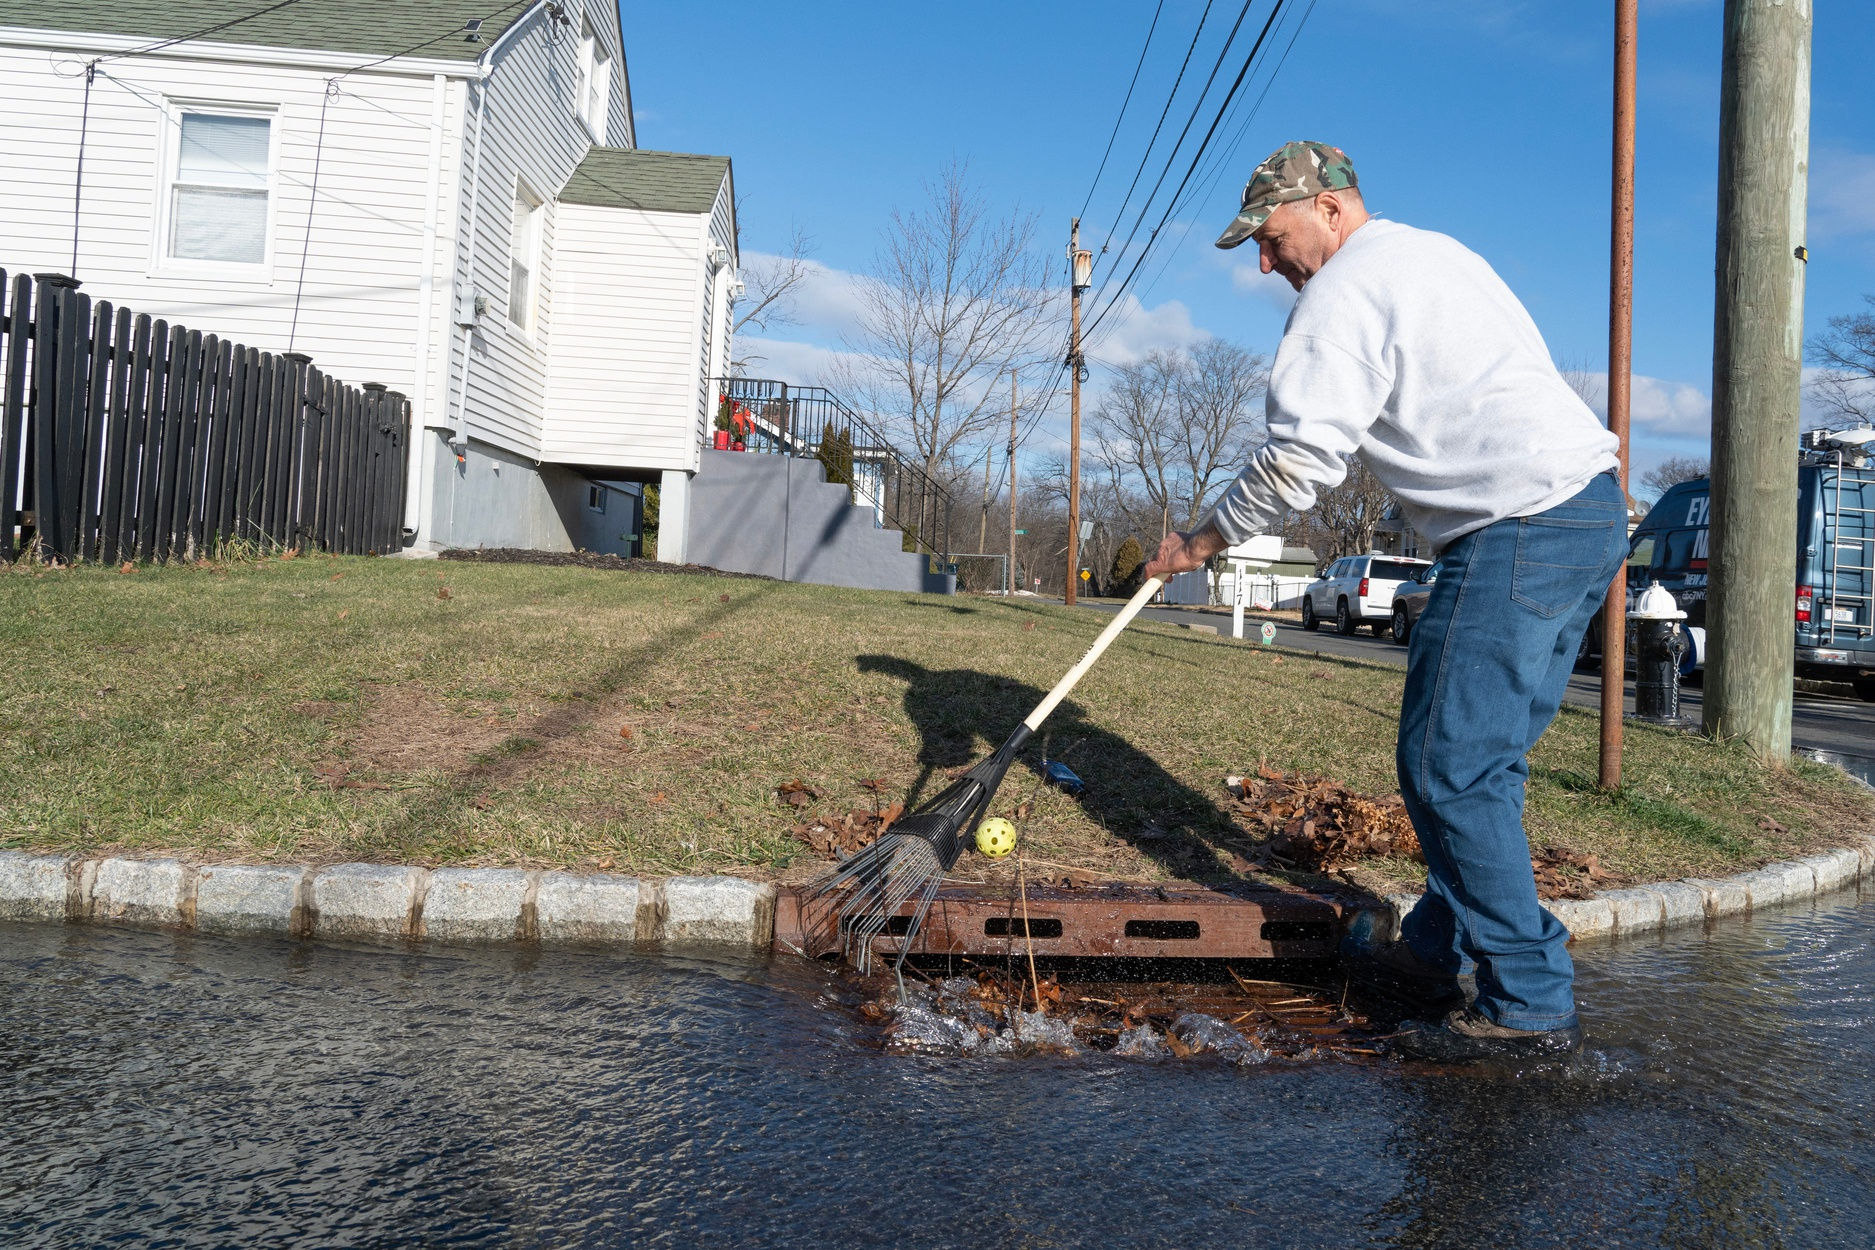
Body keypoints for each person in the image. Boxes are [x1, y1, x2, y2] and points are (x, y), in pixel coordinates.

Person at [1143, 141, 1625, 1061]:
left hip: (1515, 524)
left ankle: (1528, 1002)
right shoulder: (1437, 253)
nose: (1265, 262)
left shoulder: (1342, 294)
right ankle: (1434, 948)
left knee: (1445, 768)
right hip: (1589, 512)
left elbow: (1299, 462)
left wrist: (1201, 543)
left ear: (1329, 208)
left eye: (1271, 236)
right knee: (1486, 767)